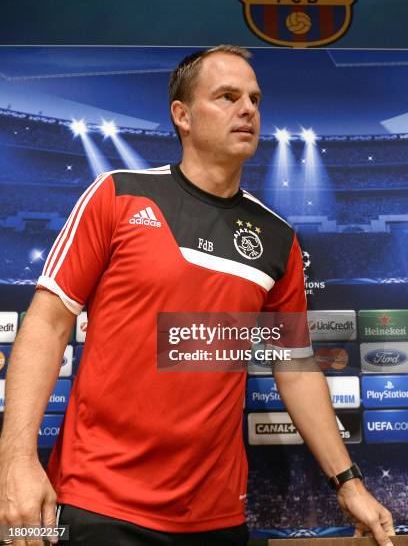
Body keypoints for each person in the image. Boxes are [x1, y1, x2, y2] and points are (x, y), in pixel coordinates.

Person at [0, 45, 394, 546]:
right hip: (100, 503)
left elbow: (293, 365)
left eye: (254, 98)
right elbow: (47, 323)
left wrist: (349, 482)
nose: (247, 109)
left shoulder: (277, 238)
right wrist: (15, 460)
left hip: (216, 517)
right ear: (181, 116)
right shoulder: (119, 195)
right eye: (227, 96)